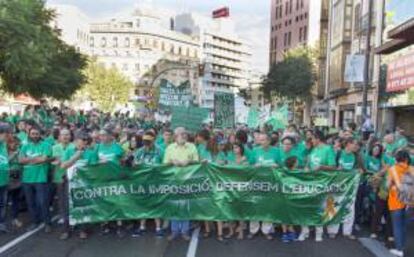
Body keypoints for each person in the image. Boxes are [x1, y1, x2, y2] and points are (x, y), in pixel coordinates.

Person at [299, 130, 336, 242]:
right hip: (310, 182)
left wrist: (321, 167)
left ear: (318, 139)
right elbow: (309, 163)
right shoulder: (313, 149)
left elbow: (333, 166)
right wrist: (306, 167)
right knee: (305, 206)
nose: (311, 141)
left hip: (323, 182)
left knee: (319, 207)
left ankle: (319, 232)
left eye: (312, 139)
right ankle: (304, 231)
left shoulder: (328, 149)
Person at [60, 132, 98, 240]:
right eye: (81, 142)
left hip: (84, 184)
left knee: (83, 207)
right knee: (67, 207)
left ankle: (83, 229)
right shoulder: (69, 151)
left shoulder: (91, 153)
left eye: (85, 142)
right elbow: (63, 165)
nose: (82, 144)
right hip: (70, 183)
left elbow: (94, 170)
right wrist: (76, 157)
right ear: (75, 141)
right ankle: (66, 230)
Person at [164, 127, 199, 241]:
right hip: (173, 180)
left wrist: (189, 161)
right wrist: (171, 162)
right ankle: (174, 231)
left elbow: (197, 162)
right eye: (181, 134)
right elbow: (164, 164)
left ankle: (184, 231)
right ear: (175, 136)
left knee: (185, 206)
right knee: (174, 206)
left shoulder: (192, 146)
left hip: (187, 181)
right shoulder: (170, 148)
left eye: (185, 133)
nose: (184, 136)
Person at [19, 126, 53, 232]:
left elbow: (44, 159)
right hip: (27, 179)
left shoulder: (46, 145)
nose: (34, 136)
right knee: (30, 202)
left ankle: (47, 223)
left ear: (40, 135)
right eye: (33, 134)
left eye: (37, 134)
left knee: (43, 202)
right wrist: (36, 159)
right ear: (29, 134)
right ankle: (35, 222)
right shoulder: (25, 146)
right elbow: (20, 160)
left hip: (40, 178)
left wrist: (28, 159)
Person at [248, 133, 280, 240]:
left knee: (268, 206)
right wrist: (254, 166)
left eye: (263, 140)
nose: (261, 142)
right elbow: (250, 165)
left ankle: (266, 230)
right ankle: (253, 230)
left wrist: (277, 166)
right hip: (257, 183)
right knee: (255, 205)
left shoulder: (276, 151)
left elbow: (281, 166)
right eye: (260, 140)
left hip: (271, 183)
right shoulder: (255, 150)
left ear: (269, 141)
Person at [132, 131, 164, 238]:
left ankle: (158, 228)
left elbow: (165, 166)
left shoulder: (160, 151)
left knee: (155, 204)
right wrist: (135, 164)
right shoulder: (140, 151)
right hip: (142, 182)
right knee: (143, 204)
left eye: (148, 142)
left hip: (155, 182)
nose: (146, 144)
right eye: (145, 142)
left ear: (153, 140)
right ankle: (142, 227)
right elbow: (133, 163)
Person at [327, 138, 359, 240]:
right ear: (348, 144)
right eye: (354, 144)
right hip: (336, 184)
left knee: (350, 207)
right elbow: (332, 167)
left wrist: (359, 171)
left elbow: (360, 168)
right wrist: (337, 169)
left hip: (350, 186)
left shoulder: (356, 156)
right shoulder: (338, 153)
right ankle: (332, 230)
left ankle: (347, 231)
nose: (356, 146)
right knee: (333, 205)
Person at [387, 150, 412, 257]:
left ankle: (399, 249)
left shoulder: (392, 169)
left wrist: (392, 185)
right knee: (406, 226)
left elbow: (387, 185)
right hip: (410, 202)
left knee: (397, 226)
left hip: (395, 200)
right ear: (407, 159)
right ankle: (405, 249)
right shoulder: (412, 169)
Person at [0, 124, 10, 233]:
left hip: (4, 180)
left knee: (3, 204)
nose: (8, 136)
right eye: (7, 133)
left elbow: (4, 161)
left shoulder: (3, 145)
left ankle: (1, 223)